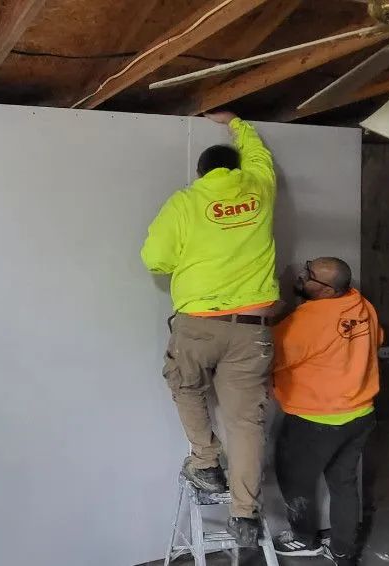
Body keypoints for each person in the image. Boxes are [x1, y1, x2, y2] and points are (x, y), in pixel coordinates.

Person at [141, 110, 278, 547]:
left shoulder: (185, 202)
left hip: (199, 324)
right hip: (253, 329)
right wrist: (239, 122)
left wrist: (194, 259)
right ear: (235, 170)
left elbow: (155, 260)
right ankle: (245, 516)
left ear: (202, 173)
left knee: (185, 386)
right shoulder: (259, 188)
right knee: (246, 424)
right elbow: (259, 157)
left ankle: (204, 463)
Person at [269, 257, 381, 566]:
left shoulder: (307, 321)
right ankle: (343, 551)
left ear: (328, 290)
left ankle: (305, 540)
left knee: (295, 481)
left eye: (309, 275)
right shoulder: (361, 305)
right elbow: (377, 339)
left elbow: (269, 356)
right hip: (360, 414)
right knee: (343, 483)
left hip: (314, 419)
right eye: (307, 268)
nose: (302, 275)